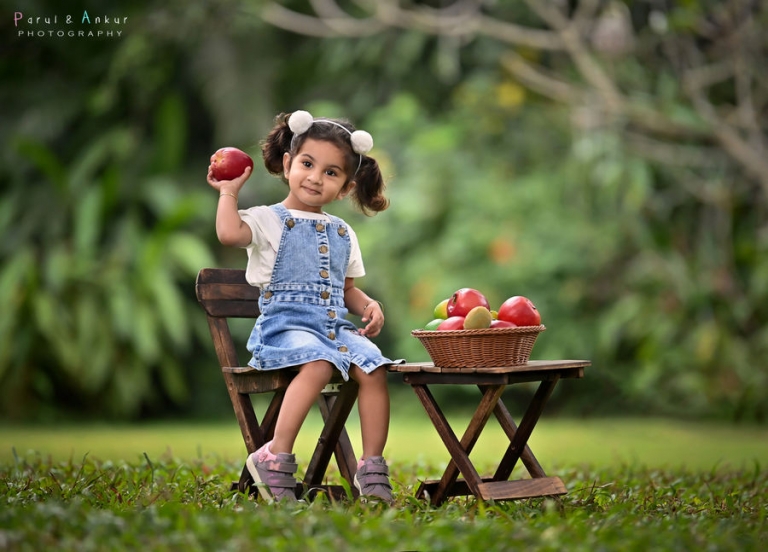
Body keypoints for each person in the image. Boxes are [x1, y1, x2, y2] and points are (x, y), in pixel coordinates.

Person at [207, 110, 400, 504]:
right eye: (308, 164)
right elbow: (229, 233)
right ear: (288, 163)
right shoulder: (266, 220)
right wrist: (229, 193)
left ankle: (372, 467)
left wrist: (368, 305)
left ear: (345, 187)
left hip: (333, 328)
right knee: (318, 364)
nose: (315, 177)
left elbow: (346, 290)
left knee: (375, 367)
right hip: (284, 327)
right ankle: (274, 458)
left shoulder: (343, 232)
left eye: (331, 173)